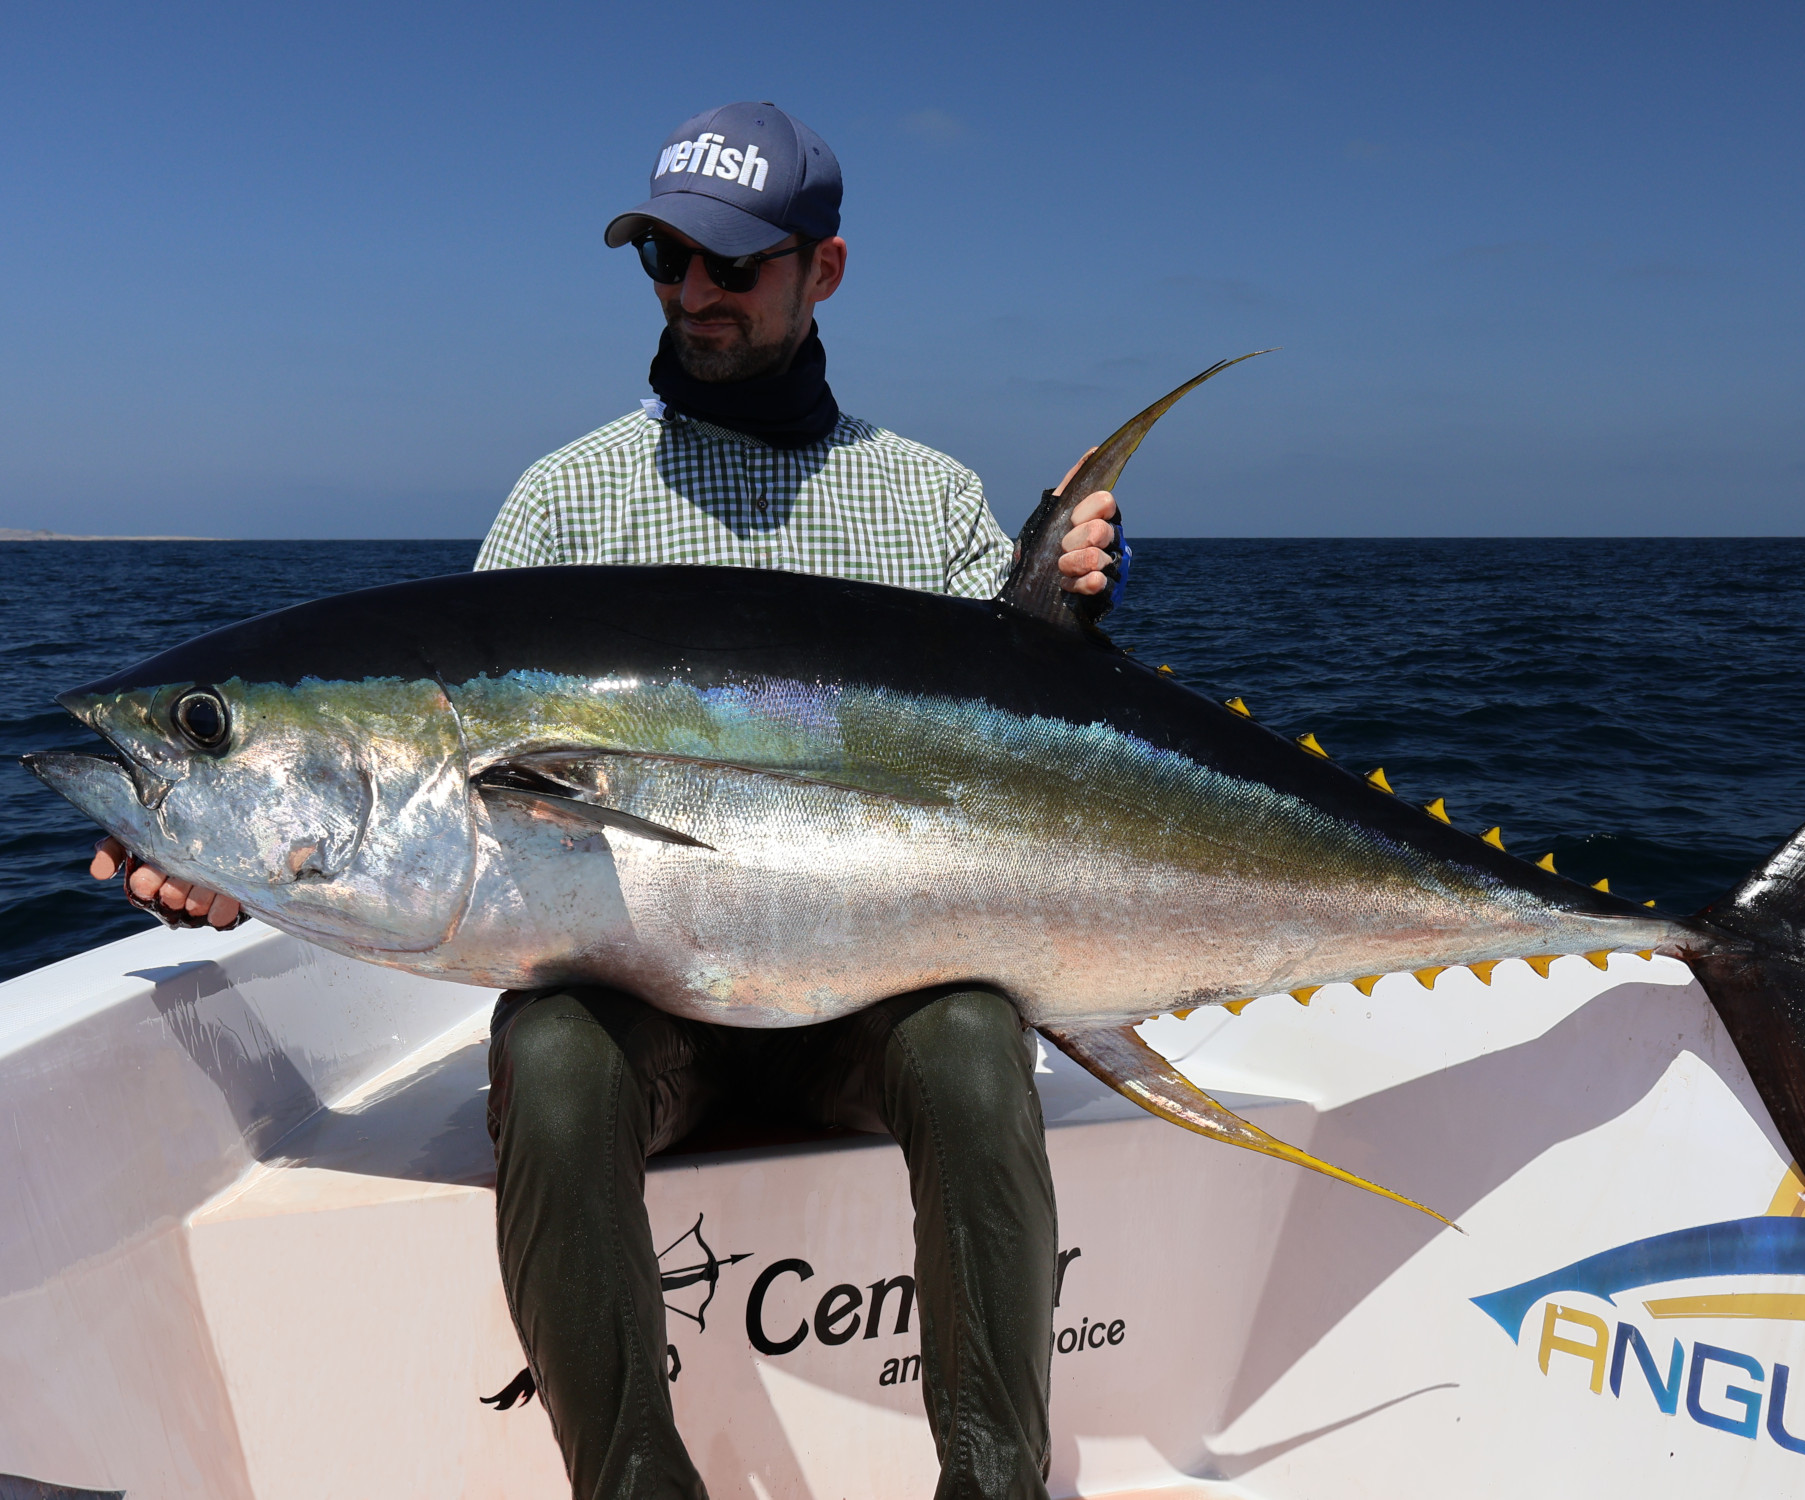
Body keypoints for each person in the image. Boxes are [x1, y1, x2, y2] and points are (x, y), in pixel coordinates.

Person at [91, 101, 1124, 1500]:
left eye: (732, 264)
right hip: (643, 1021)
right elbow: (424, 826)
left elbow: (1031, 757)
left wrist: (1067, 599)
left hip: (869, 1005)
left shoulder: (929, 503)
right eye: (662, 258)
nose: (692, 292)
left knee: (974, 1040)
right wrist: (235, 863)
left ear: (823, 271)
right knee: (557, 1058)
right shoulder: (563, 504)